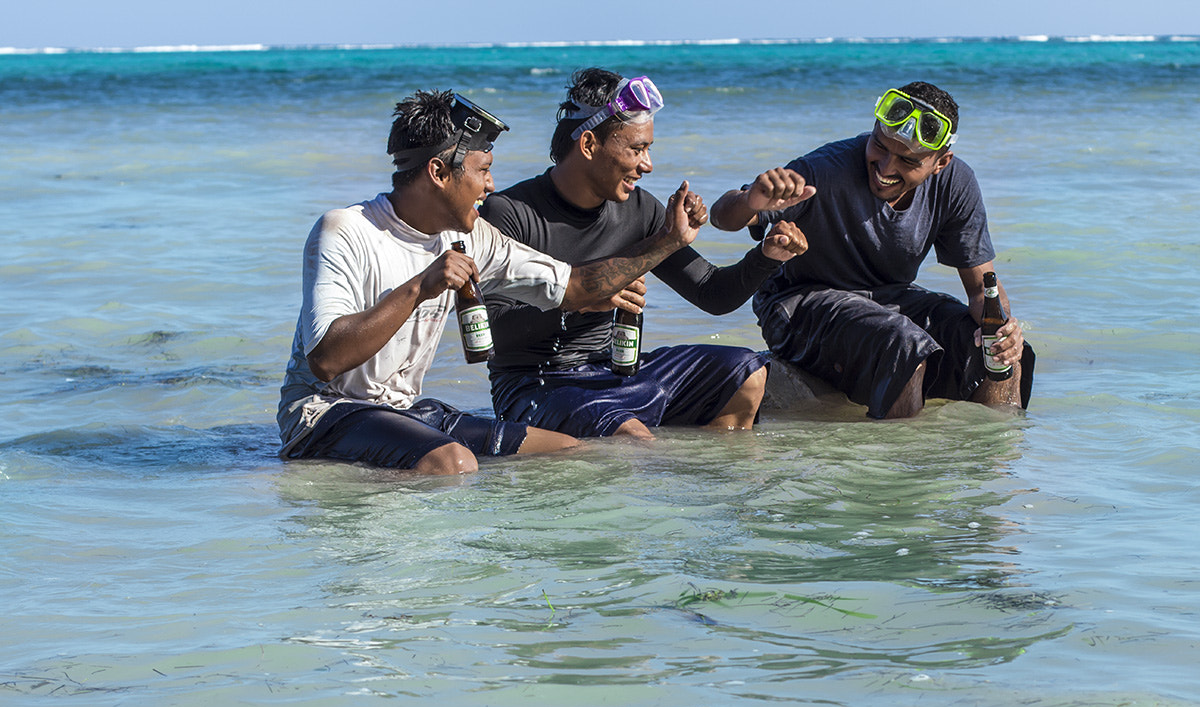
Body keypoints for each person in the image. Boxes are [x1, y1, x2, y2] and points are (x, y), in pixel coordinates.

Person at [277, 90, 704, 474]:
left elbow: (573, 286)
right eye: (483, 171)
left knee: (567, 450)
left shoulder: (472, 237)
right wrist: (419, 287)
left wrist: (667, 243)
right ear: (439, 172)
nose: (491, 186)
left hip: (405, 411)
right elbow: (326, 360)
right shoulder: (345, 229)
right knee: (454, 461)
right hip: (322, 414)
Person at [479, 67, 807, 440]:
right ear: (588, 145)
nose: (647, 165)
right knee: (631, 437)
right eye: (637, 149)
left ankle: (713, 485)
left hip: (617, 370)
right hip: (535, 384)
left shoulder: (640, 209)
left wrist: (767, 255)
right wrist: (581, 301)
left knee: (745, 373)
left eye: (647, 148)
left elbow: (713, 294)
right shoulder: (509, 213)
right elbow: (491, 334)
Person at [710, 81, 1034, 419]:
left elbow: (983, 290)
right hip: (798, 304)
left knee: (999, 351)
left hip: (889, 299)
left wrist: (1003, 329)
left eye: (907, 160)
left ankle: (994, 462)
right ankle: (896, 465)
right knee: (902, 343)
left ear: (941, 162)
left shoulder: (956, 182)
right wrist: (751, 200)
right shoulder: (824, 170)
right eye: (879, 146)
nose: (886, 168)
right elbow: (722, 217)